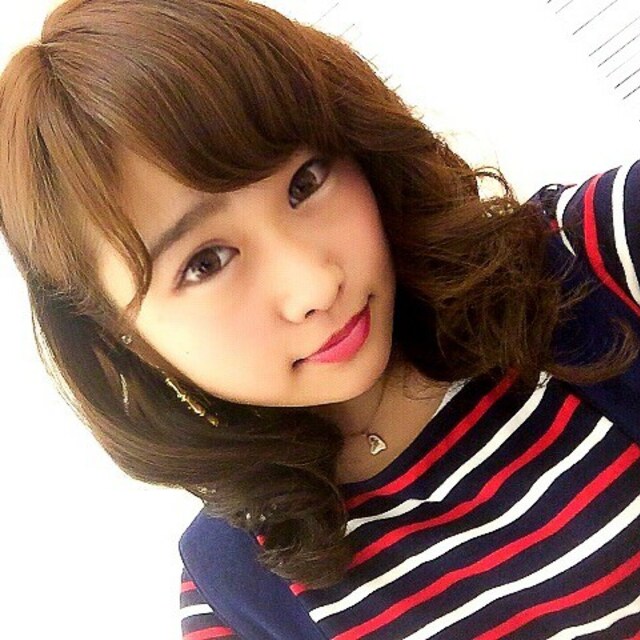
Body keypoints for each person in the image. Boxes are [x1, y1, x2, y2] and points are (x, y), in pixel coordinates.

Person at [2, 0, 640, 637]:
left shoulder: (594, 258)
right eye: (205, 262)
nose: (315, 283)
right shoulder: (239, 595)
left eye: (305, 182)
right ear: (120, 337)